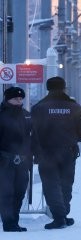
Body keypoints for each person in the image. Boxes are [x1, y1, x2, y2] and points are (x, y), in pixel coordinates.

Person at [31, 76, 81, 230]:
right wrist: (72, 139)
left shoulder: (39, 107)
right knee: (66, 184)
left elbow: (33, 132)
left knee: (51, 185)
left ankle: (59, 217)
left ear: (48, 88)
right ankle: (63, 215)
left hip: (46, 153)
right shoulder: (74, 107)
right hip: (68, 152)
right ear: (64, 88)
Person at [0, 87, 32, 232]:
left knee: (19, 191)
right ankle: (8, 223)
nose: (19, 101)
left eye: (20, 99)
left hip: (23, 161)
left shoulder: (26, 115)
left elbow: (32, 136)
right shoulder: (1, 115)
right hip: (4, 161)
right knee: (6, 192)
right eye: (15, 99)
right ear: (7, 99)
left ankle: (14, 220)